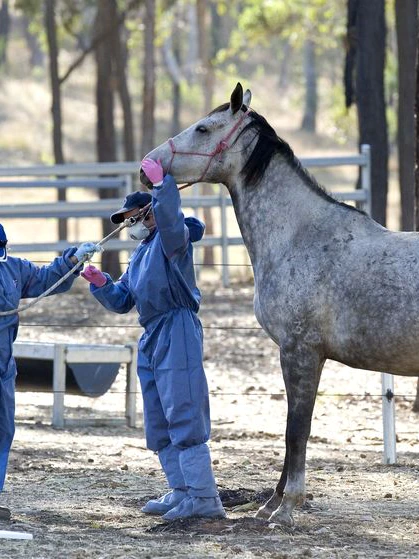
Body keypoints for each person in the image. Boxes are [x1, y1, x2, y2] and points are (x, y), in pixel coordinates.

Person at [80, 159, 226, 521]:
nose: (126, 224)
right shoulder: (140, 254)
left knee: (184, 410)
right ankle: (180, 490)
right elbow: (122, 300)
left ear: (148, 212)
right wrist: (99, 282)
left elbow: (174, 221)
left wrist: (163, 188)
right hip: (151, 334)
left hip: (177, 328)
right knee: (159, 418)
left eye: (130, 216)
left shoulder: (172, 240)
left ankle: (204, 498)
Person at [0, 224, 99, 518]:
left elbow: (44, 279)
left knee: (3, 429)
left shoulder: (13, 269)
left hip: (4, 365)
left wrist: (73, 260)